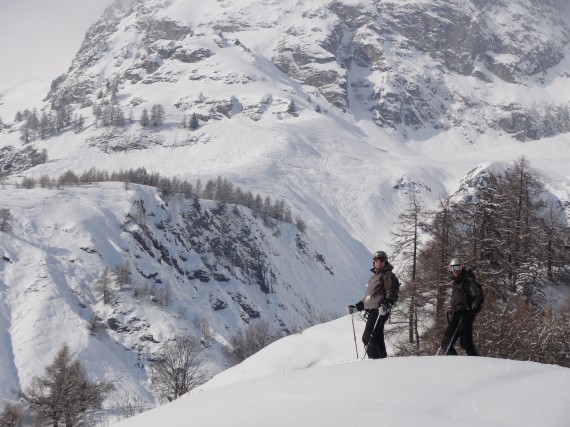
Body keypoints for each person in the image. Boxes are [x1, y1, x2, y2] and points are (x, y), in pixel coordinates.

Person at [347, 250, 399, 359]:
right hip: (374, 310)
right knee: (377, 337)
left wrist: (387, 304)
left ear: (385, 261)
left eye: (381, 260)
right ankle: (382, 360)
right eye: (376, 260)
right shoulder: (374, 276)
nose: (379, 262)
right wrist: (357, 307)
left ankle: (375, 363)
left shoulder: (387, 274)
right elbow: (369, 298)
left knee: (368, 338)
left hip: (379, 310)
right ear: (374, 262)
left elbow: (392, 291)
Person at [439, 256, 484, 356]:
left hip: (465, 315)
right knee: (446, 342)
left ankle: (478, 364)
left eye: (457, 268)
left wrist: (471, 309)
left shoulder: (468, 281)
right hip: (455, 315)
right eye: (452, 268)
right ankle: (454, 365)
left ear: (462, 267)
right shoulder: (456, 282)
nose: (455, 271)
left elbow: (478, 297)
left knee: (466, 343)